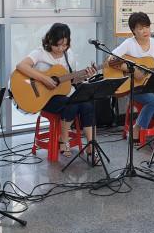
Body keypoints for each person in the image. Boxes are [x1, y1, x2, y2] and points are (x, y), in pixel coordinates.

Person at [16, 23, 97, 161]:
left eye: (64, 45)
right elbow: (21, 66)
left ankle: (91, 145)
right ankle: (63, 140)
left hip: (64, 94)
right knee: (71, 104)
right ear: (50, 40)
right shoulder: (40, 53)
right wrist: (44, 78)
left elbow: (72, 79)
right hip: (44, 98)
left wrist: (85, 76)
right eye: (57, 45)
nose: (60, 49)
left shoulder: (69, 54)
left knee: (87, 105)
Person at [110, 12, 154, 148]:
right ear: (133, 30)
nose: (145, 31)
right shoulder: (129, 44)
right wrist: (132, 70)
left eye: (147, 27)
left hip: (151, 83)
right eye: (140, 28)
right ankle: (136, 128)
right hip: (134, 85)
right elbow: (111, 60)